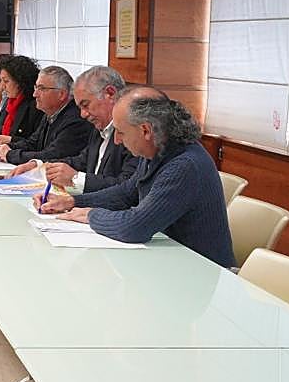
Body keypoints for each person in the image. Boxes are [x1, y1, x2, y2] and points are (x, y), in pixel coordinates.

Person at [37, 88, 235, 269]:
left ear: (146, 130)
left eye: (121, 132)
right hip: (169, 262)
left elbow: (135, 227)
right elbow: (127, 193)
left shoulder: (184, 165)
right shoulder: (156, 149)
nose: (117, 140)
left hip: (199, 271)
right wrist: (72, 201)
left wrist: (90, 215)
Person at [9, 65, 138, 194]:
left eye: (86, 105)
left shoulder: (133, 132)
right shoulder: (99, 127)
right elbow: (81, 161)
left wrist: (76, 179)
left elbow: (127, 187)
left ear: (110, 94)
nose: (83, 114)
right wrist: (40, 166)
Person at [0, 54, 43, 144]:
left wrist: (7, 140)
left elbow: (34, 144)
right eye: (1, 80)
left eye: (6, 81)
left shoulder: (35, 105)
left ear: (20, 81)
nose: (2, 87)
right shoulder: (12, 102)